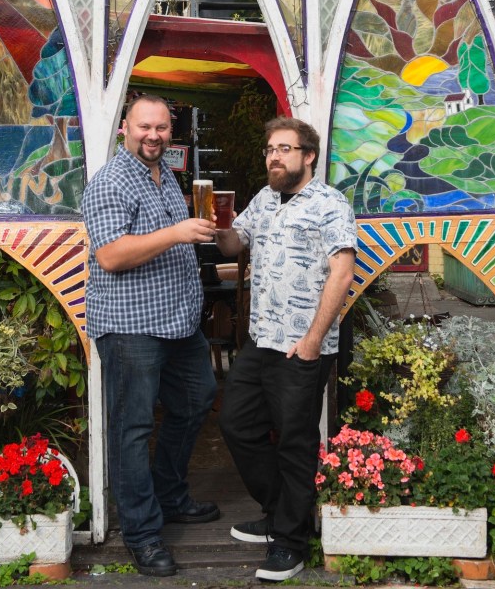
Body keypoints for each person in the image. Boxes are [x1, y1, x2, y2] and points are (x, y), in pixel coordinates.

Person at [82, 94, 220, 577]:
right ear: (125, 128)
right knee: (132, 428)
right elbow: (112, 256)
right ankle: (141, 533)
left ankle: (170, 496)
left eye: (162, 128)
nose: (154, 136)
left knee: (197, 399)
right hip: (129, 326)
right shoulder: (111, 182)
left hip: (176, 321)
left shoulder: (165, 175)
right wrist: (178, 233)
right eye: (145, 127)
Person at [216, 116, 356, 582]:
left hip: (303, 344)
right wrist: (215, 224)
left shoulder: (329, 203)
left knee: (295, 442)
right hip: (262, 340)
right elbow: (235, 241)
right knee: (235, 422)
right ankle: (279, 514)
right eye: (270, 149)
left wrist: (315, 339)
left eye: (284, 149)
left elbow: (342, 271)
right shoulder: (264, 199)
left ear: (308, 155)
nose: (274, 156)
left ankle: (291, 544)